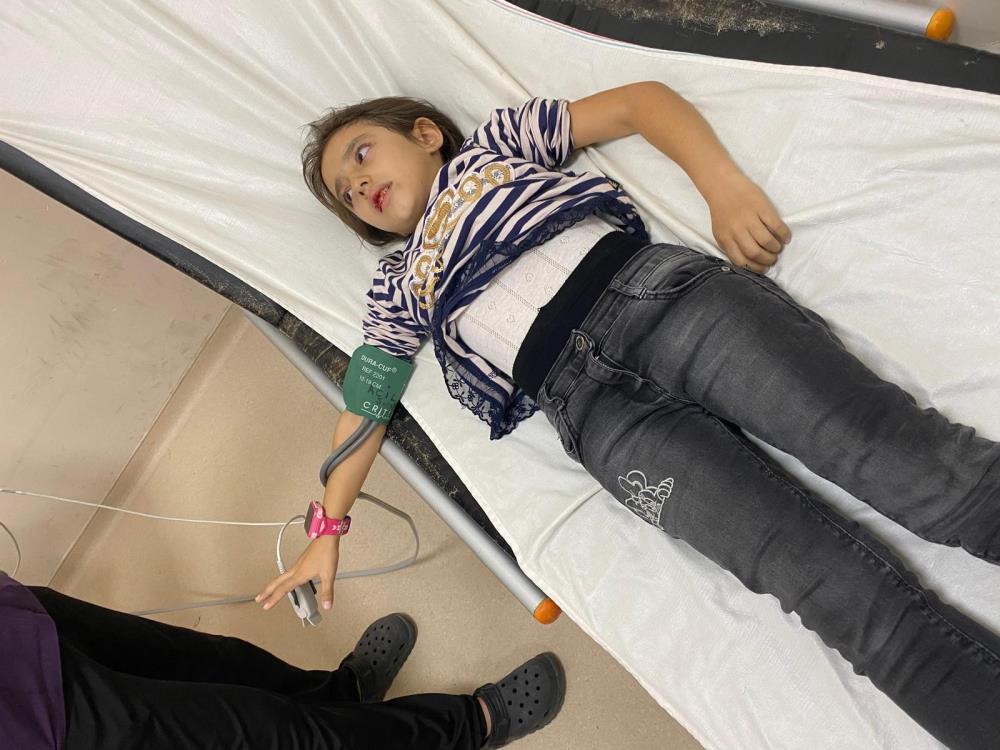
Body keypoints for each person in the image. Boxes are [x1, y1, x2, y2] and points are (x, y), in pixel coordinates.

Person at [255, 80, 1000, 750]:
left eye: (361, 155)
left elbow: (641, 103)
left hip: (659, 303)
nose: (359, 184)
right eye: (347, 194)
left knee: (904, 463)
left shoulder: (494, 148)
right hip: (601, 420)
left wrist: (721, 186)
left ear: (425, 134)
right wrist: (326, 528)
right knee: (825, 591)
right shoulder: (398, 286)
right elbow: (369, 397)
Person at [0, 573, 564, 749]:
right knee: (277, 735)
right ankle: (467, 727)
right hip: (43, 729)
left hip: (21, 627)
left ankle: (341, 693)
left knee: (214, 661)